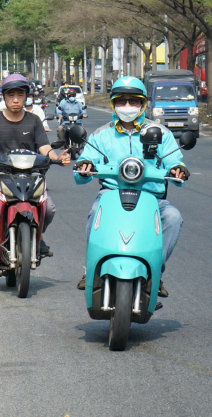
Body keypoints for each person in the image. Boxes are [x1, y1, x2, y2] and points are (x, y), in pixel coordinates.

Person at [74, 76, 190, 297]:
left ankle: (155, 271)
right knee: (94, 213)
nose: (127, 106)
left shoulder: (162, 133)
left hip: (152, 198)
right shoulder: (101, 134)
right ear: (113, 104)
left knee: (173, 217)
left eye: (133, 101)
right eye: (121, 101)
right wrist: (84, 166)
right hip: (111, 195)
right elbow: (83, 170)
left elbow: (175, 161)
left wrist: (177, 169)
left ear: (143, 104)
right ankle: (90, 270)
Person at [0, 74, 71, 259]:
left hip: (32, 175)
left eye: (20, 95)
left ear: (26, 97)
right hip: (2, 174)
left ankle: (38, 236)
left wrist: (56, 158)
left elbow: (44, 148)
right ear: (4, 96)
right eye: (11, 95)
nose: (15, 99)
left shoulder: (34, 120)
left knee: (48, 207)